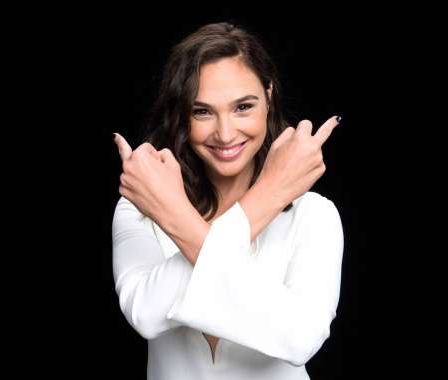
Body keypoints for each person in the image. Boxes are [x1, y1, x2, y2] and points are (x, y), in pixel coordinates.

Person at [111, 21, 344, 380]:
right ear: (183, 113)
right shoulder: (140, 207)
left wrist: (175, 216)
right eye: (202, 111)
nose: (224, 133)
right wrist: (266, 199)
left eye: (243, 107)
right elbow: (145, 314)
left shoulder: (314, 215)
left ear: (268, 95)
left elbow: (300, 340)